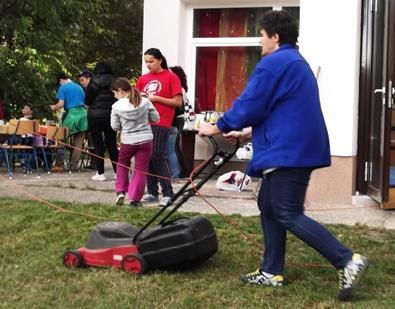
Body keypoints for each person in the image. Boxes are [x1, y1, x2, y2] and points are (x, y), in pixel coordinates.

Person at [198, 10, 368, 301]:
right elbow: (281, 110)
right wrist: (247, 134)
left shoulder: (275, 63)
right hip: (293, 145)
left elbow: (251, 104)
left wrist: (217, 126)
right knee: (269, 205)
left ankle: (347, 260)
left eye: (262, 35)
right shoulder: (293, 61)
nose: (259, 42)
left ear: (275, 37)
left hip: (289, 151)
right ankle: (271, 271)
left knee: (287, 211)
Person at [136, 48, 182, 207]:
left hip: (162, 121)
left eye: (151, 61)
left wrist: (156, 98)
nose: (148, 64)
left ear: (160, 60)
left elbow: (177, 102)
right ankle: (152, 192)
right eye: (146, 62)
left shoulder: (172, 77)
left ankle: (168, 193)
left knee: (158, 154)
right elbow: (135, 102)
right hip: (144, 122)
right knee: (147, 155)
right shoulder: (142, 79)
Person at [110, 78, 159, 207]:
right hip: (146, 140)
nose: (115, 96)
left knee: (122, 165)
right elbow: (155, 118)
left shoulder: (116, 106)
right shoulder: (145, 101)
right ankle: (134, 199)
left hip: (128, 141)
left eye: (115, 93)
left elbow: (114, 127)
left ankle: (120, 191)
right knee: (141, 170)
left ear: (120, 91)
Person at [85, 61, 119, 181]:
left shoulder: (94, 81)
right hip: (112, 115)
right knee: (112, 144)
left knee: (98, 143)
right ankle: (117, 173)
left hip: (95, 116)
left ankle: (100, 173)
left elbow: (87, 100)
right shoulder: (115, 81)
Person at [50, 73, 88, 172]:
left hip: (72, 115)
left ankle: (59, 164)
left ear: (61, 80)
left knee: (61, 140)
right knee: (78, 142)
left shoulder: (63, 88)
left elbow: (61, 104)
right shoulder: (79, 87)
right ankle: (73, 166)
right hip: (83, 115)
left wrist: (53, 107)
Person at [168, 66, 189, 178]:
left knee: (172, 148)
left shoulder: (179, 89)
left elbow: (177, 106)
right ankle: (182, 171)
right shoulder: (181, 89)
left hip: (175, 119)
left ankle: (177, 173)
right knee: (175, 147)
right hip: (178, 119)